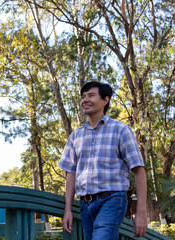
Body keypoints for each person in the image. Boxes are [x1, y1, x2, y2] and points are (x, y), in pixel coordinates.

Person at [59, 81, 148, 239]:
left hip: (112, 200)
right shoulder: (75, 136)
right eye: (83, 96)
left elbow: (139, 170)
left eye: (91, 95)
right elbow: (70, 173)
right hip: (84, 205)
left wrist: (141, 212)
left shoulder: (121, 130)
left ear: (105, 100)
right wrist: (67, 210)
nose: (85, 100)